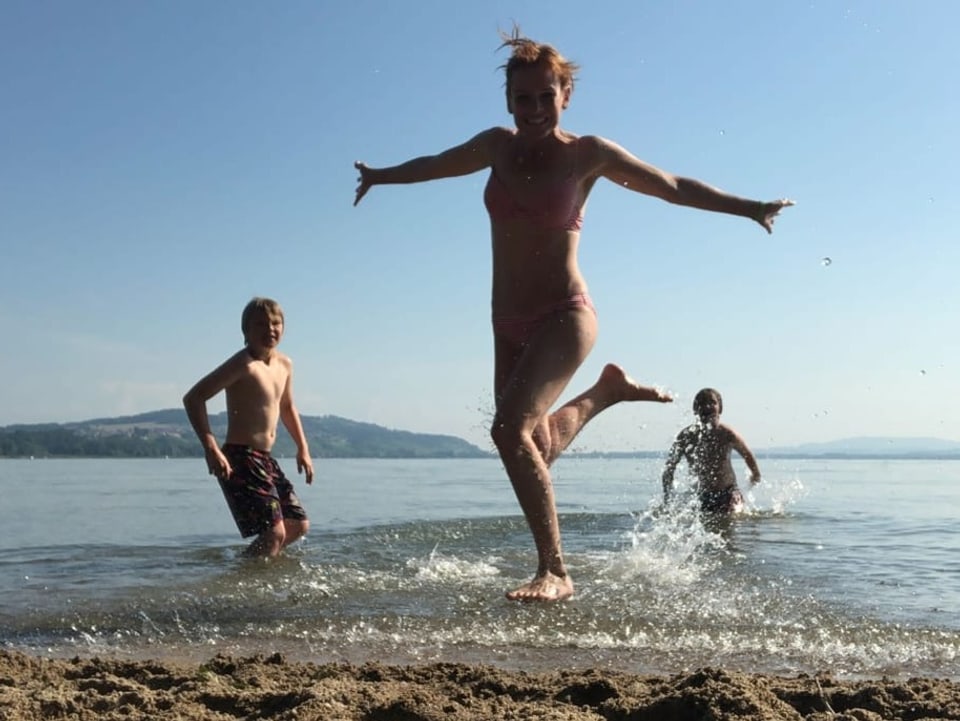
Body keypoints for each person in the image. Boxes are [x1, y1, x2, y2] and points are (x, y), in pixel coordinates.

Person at [353, 27, 791, 602]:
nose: (535, 109)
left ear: (565, 96)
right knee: (532, 445)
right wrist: (381, 176)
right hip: (505, 322)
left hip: (565, 314)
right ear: (509, 102)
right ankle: (605, 393)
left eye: (546, 96)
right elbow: (436, 163)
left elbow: (672, 186)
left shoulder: (587, 155)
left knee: (508, 431)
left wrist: (748, 207)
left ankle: (555, 570)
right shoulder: (495, 146)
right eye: (523, 98)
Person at [183, 297, 314, 558]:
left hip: (265, 459)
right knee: (274, 533)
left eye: (276, 323)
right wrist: (211, 448)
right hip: (240, 458)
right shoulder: (243, 364)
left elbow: (287, 407)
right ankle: (247, 576)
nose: (270, 330)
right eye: (261, 324)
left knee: (297, 525)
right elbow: (194, 398)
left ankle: (252, 567)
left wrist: (303, 448)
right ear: (246, 331)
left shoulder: (284, 365)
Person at [661, 388, 761, 516]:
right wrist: (667, 496)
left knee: (733, 518)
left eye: (712, 402)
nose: (707, 406)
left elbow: (747, 454)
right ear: (695, 409)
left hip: (729, 492)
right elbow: (670, 466)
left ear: (720, 408)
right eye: (701, 403)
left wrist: (755, 475)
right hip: (702, 495)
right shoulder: (686, 436)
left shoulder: (727, 433)